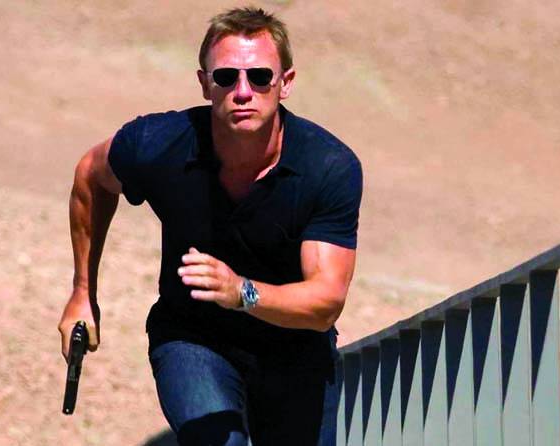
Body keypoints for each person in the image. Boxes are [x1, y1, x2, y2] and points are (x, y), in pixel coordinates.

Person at [58, 7, 362, 445]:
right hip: (194, 338)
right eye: (226, 77)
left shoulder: (327, 167)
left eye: (260, 77)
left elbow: (326, 301)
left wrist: (242, 292)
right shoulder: (158, 143)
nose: (243, 92)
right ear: (204, 84)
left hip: (295, 350)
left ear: (286, 83)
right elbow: (91, 176)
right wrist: (83, 293)